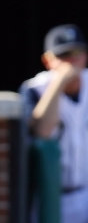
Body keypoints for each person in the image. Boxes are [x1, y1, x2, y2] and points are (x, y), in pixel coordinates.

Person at [19, 24, 88, 223]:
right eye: (64, 54)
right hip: (50, 197)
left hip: (85, 192)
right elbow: (42, 131)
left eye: (77, 52)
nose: (72, 60)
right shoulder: (34, 88)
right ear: (47, 60)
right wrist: (59, 81)